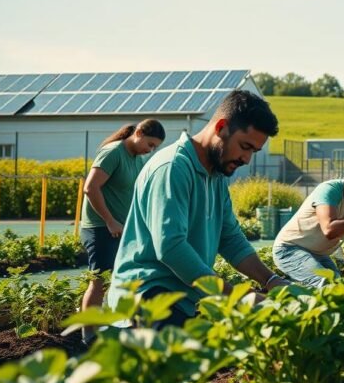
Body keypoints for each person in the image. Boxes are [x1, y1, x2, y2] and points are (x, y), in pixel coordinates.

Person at [107, 90, 289, 329]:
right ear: (221, 127)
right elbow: (171, 248)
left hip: (179, 298)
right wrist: (238, 298)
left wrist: (271, 280)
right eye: (244, 146)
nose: (247, 159)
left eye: (253, 151)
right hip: (146, 296)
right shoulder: (173, 168)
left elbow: (230, 239)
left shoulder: (217, 175)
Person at [78, 119, 166, 339]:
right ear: (138, 133)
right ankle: (88, 335)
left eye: (155, 147)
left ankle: (112, 324)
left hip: (121, 229)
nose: (150, 150)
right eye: (150, 144)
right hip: (100, 228)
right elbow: (90, 188)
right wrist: (109, 220)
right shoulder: (113, 152)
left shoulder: (136, 159)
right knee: (99, 282)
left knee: (124, 278)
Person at [273, 160, 344, 286]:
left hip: (319, 254)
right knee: (327, 284)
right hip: (289, 249)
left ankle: (284, 289)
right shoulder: (330, 190)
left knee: (339, 286)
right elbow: (329, 231)